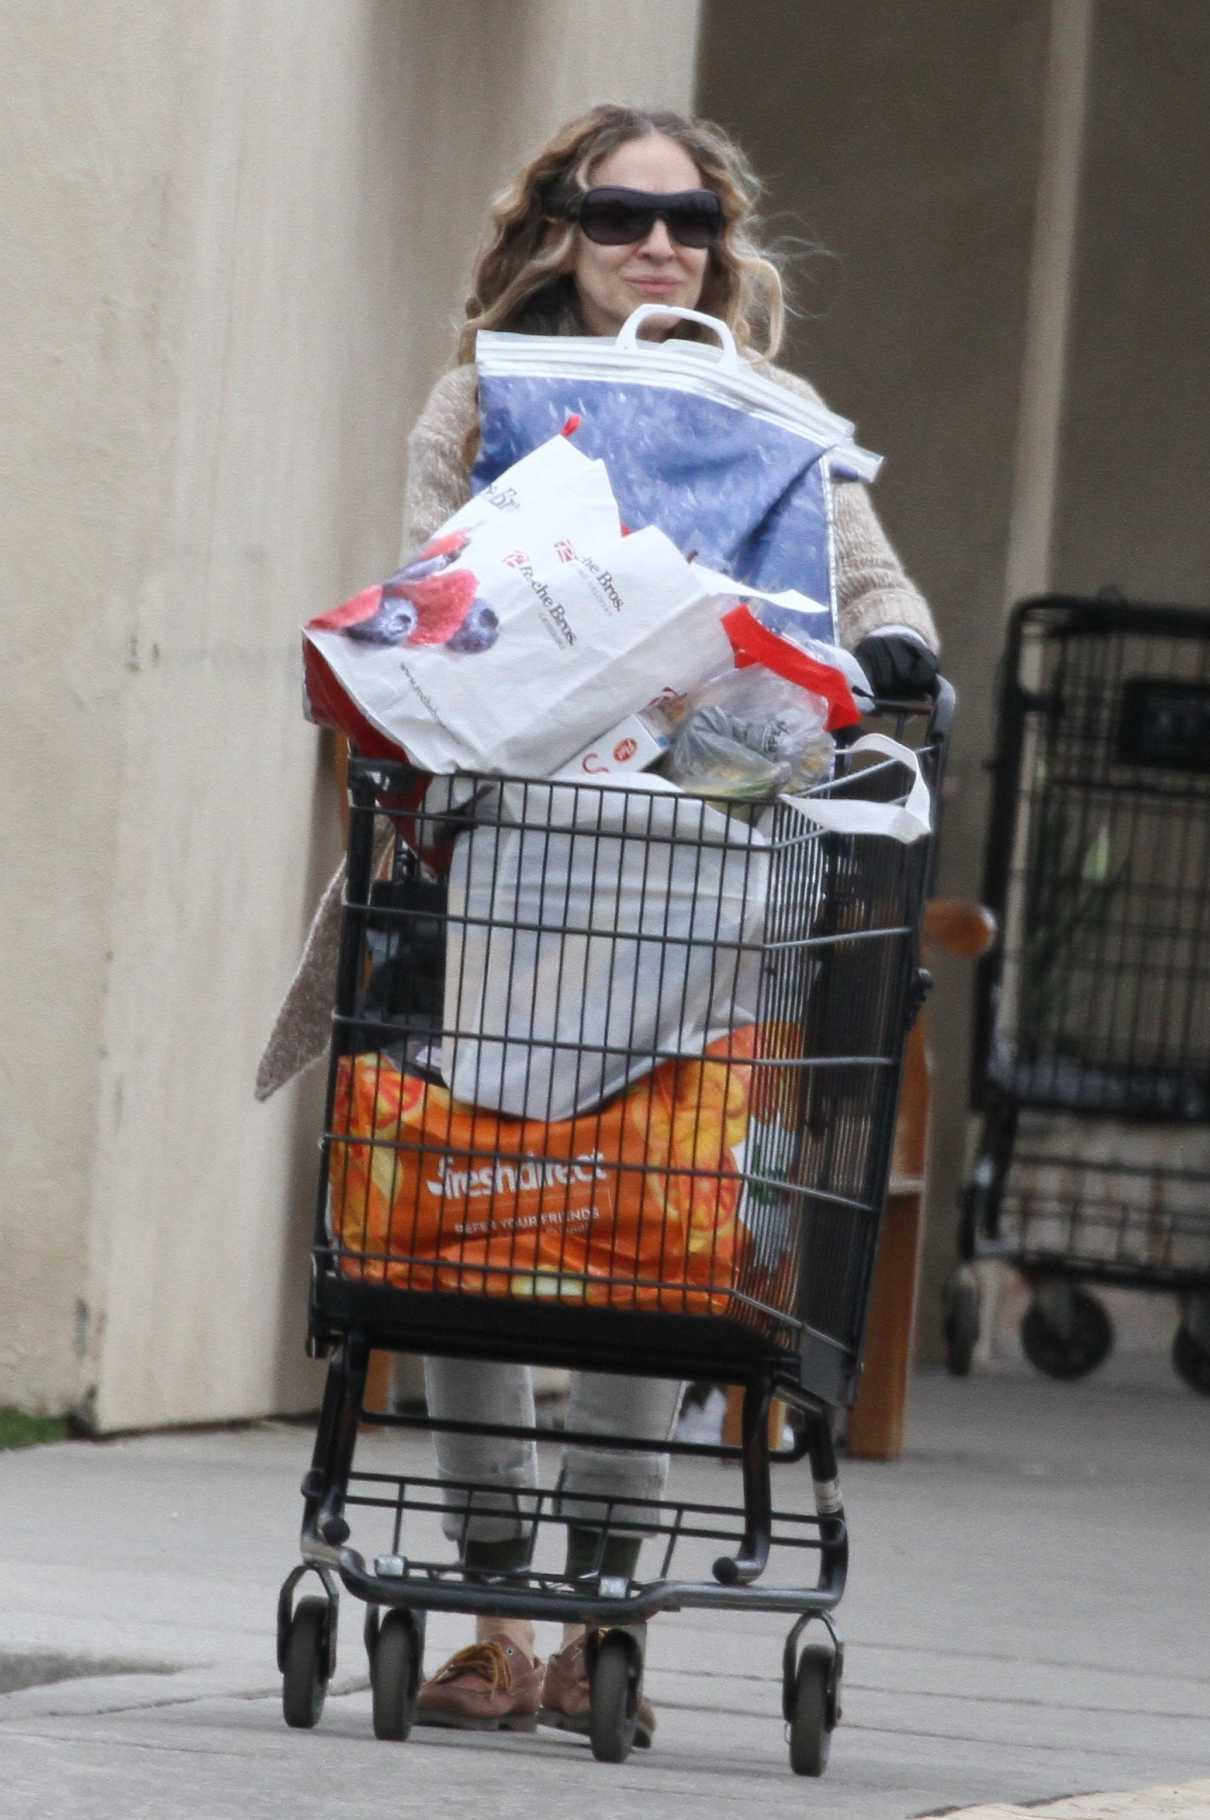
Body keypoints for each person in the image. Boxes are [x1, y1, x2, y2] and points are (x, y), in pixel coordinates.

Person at [257, 101, 938, 1745]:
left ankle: (603, 1604)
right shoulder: (485, 398)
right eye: (617, 210)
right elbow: (433, 577)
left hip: (708, 885)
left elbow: (878, 589)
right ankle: (492, 1610)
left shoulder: (770, 413)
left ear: (722, 239)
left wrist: (898, 654)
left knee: (654, 1228)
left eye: (689, 220)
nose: (657, 242)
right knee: (455, 1226)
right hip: (505, 865)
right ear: (554, 226)